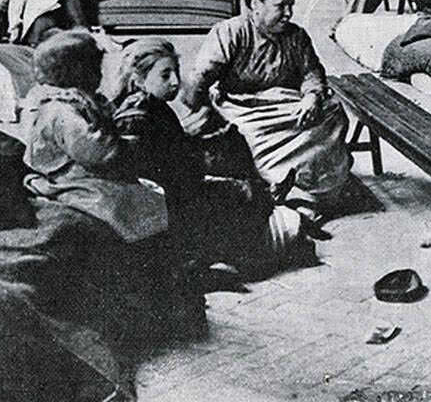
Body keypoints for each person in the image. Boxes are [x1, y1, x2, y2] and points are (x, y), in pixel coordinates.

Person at [22, 30, 205, 333]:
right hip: (67, 177)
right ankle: (155, 293)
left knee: (147, 197)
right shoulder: (59, 109)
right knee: (130, 202)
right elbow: (96, 150)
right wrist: (130, 145)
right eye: (94, 67)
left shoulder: (81, 101)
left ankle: (167, 286)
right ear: (75, 71)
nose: (99, 74)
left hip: (87, 172)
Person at [111, 38, 310, 278]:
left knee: (234, 158)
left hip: (174, 192)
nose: (175, 81)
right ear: (138, 79)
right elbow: (151, 175)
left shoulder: (153, 106)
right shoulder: (134, 117)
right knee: (242, 195)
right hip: (164, 206)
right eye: (165, 75)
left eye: (176, 72)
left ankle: (265, 215)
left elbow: (172, 154)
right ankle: (224, 257)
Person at [180, 0, 352, 214]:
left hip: (286, 107)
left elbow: (311, 72)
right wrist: (203, 110)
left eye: (291, 5)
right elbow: (198, 80)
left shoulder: (296, 36)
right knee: (240, 135)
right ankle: (275, 183)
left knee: (333, 112)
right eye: (280, 6)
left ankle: (308, 185)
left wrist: (311, 96)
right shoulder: (230, 32)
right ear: (255, 4)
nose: (288, 13)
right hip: (241, 108)